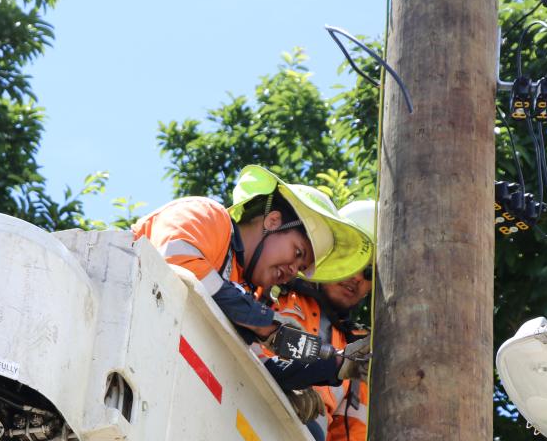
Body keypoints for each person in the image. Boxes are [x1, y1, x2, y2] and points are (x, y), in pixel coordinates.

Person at [132, 165, 371, 390]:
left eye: (300, 267)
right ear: (273, 221)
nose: (291, 271)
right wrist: (264, 322)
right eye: (297, 252)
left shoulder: (245, 293)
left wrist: (338, 365)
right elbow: (178, 262)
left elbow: (257, 370)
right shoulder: (209, 217)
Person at [271, 200, 374, 441]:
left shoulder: (357, 349)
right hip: (254, 406)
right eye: (353, 263)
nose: (357, 279)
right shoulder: (279, 289)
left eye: (369, 273)